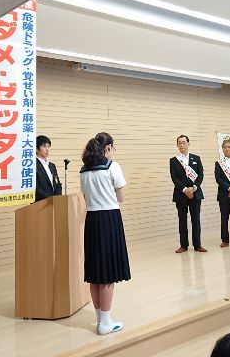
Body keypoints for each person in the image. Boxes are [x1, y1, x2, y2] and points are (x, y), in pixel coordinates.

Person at [80, 132, 130, 335]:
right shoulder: (113, 167)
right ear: (108, 147)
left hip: (91, 220)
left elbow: (85, 197)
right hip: (109, 219)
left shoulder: (84, 170)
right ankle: (106, 323)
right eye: (113, 147)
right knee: (108, 274)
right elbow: (120, 197)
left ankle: (101, 320)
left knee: (95, 274)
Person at [170, 135, 207, 253]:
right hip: (181, 194)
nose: (182, 145)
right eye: (179, 143)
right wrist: (185, 189)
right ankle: (183, 245)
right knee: (182, 221)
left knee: (196, 220)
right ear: (177, 145)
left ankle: (197, 245)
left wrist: (193, 188)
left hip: (195, 194)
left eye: (184, 142)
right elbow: (174, 177)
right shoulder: (173, 160)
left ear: (188, 144)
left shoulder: (196, 158)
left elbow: (200, 175)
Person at [35, 135, 63, 202]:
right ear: (37, 149)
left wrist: (57, 197)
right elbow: (37, 188)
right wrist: (50, 199)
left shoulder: (52, 166)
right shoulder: (34, 166)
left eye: (48, 146)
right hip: (41, 203)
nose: (47, 149)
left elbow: (57, 184)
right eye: (44, 146)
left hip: (54, 202)